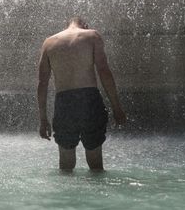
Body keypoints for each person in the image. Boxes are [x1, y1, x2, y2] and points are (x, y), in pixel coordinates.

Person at [37, 17, 127, 172]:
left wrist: (43, 119)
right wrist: (117, 108)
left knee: (65, 166)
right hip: (89, 100)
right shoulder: (91, 35)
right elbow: (104, 71)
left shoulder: (49, 42)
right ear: (85, 25)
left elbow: (42, 84)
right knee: (95, 163)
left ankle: (66, 195)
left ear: (65, 26)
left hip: (64, 102)